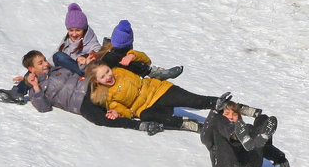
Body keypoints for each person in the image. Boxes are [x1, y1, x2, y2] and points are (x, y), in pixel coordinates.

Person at [20, 50, 185, 133]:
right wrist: (34, 86)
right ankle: (140, 125)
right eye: (40, 63)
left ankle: (149, 71)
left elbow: (80, 71)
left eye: (43, 60)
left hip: (90, 87)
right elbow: (43, 107)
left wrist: (87, 63)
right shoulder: (36, 89)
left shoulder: (59, 68)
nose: (45, 64)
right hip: (80, 104)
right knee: (98, 119)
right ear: (31, 68)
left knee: (111, 58)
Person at [85, 60, 225, 127]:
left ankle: (221, 103)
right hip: (144, 108)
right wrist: (117, 113)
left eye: (107, 71)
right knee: (146, 116)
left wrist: (132, 55)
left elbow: (144, 60)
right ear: (97, 81)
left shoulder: (120, 71)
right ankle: (186, 124)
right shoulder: (107, 96)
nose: (108, 76)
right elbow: (126, 111)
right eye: (103, 77)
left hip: (156, 90)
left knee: (193, 101)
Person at [200, 99, 289, 167]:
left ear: (239, 117)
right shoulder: (216, 129)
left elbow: (261, 146)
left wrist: (279, 157)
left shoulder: (246, 130)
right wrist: (214, 112)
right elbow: (204, 137)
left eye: (234, 114)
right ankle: (234, 136)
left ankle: (260, 132)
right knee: (219, 120)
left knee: (262, 120)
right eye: (227, 114)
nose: (231, 117)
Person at [96, 19, 183, 80]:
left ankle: (153, 72)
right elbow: (148, 61)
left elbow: (147, 61)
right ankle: (154, 73)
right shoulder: (105, 54)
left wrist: (133, 55)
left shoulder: (130, 55)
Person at [53, 2, 102, 75]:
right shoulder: (66, 40)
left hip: (82, 73)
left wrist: (84, 58)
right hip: (64, 75)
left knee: (59, 56)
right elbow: (53, 58)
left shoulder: (91, 42)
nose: (74, 34)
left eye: (78, 30)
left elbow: (97, 51)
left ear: (84, 29)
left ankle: (81, 72)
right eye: (71, 30)